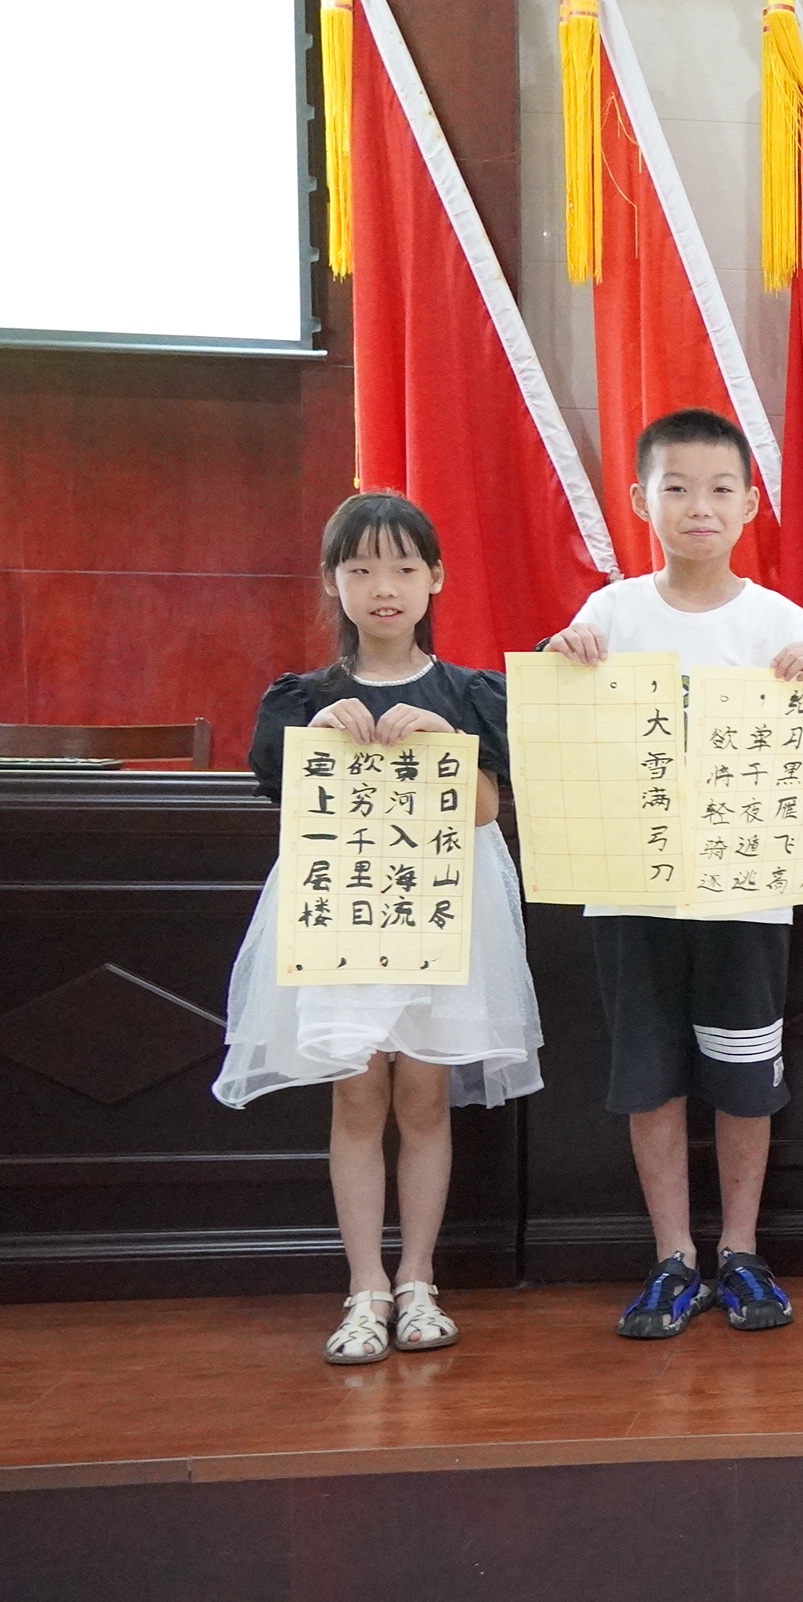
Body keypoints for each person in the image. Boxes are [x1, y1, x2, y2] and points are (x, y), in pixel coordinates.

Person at [542, 408, 803, 1339]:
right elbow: (558, 721)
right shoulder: (610, 612)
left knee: (743, 1077)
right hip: (630, 890)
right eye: (677, 487)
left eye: (721, 489)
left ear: (750, 505)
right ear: (639, 499)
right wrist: (564, 662)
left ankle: (741, 1251)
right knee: (650, 1079)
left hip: (747, 895)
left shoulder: (776, 620)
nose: (699, 506)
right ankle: (672, 1259)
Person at [218, 491, 542, 1364]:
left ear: (435, 578)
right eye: (361, 570)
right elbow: (290, 801)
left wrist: (441, 739)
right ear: (334, 582)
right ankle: (364, 1285)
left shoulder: (470, 694)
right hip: (343, 912)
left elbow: (487, 810)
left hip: (446, 912)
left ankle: (418, 1279)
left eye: (403, 568)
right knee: (357, 1095)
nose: (384, 587)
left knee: (424, 1096)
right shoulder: (301, 699)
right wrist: (321, 736)